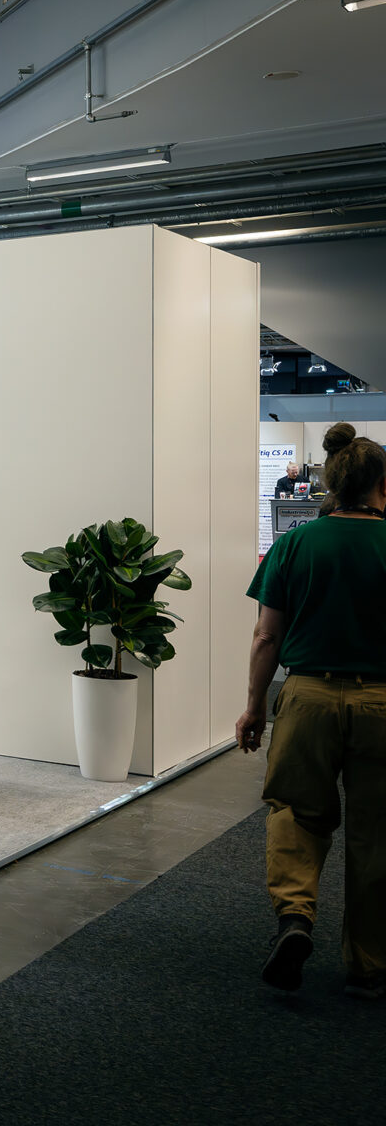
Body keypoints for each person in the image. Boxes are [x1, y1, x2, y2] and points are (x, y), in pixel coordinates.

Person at [238, 422, 386, 1000]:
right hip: (381, 701)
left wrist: (254, 708)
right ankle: (369, 966)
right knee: (378, 832)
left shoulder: (294, 544)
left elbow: (265, 639)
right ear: (381, 485)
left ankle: (296, 919)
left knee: (296, 813)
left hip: (307, 698)